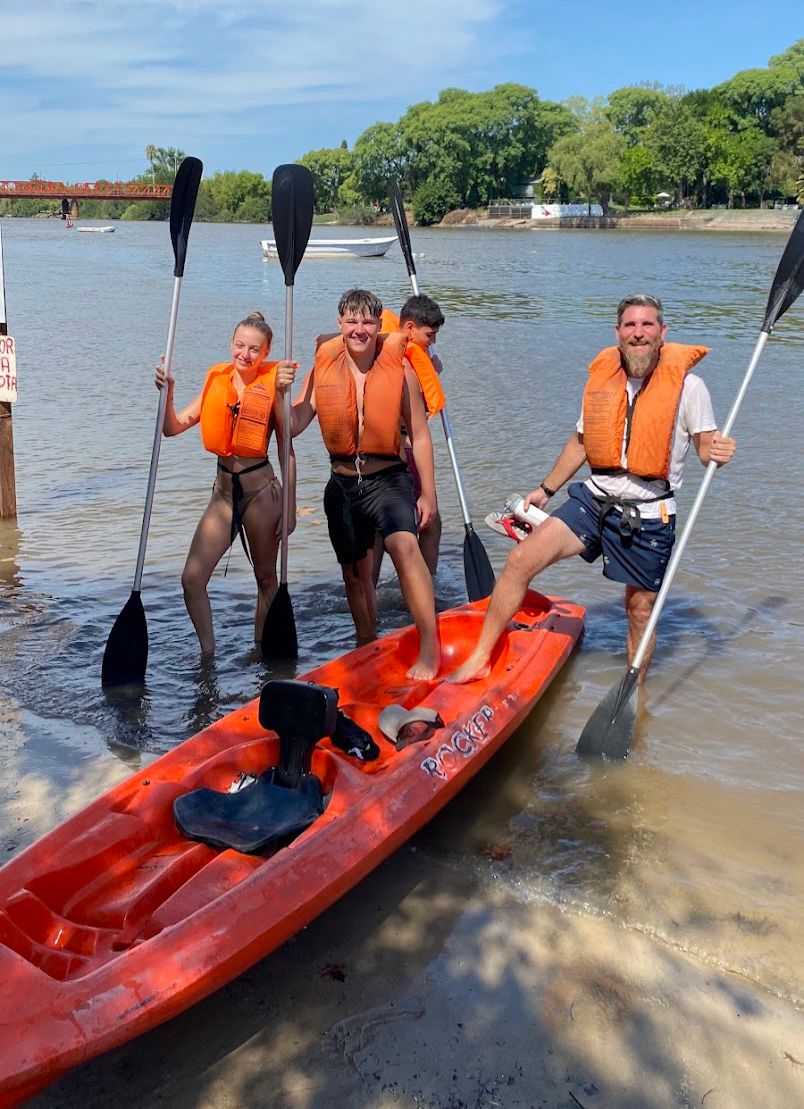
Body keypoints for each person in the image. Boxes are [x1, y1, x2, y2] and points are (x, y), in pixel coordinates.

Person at [449, 293, 737, 684]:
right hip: (593, 500)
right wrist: (546, 490)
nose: (638, 333)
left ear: (662, 332)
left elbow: (705, 450)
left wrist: (719, 450)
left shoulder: (690, 387)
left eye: (647, 324)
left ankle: (633, 691)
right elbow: (581, 443)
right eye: (630, 325)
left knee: (639, 611)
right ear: (618, 332)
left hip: (648, 512)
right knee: (520, 561)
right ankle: (481, 657)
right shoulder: (604, 379)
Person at [287, 288, 440, 680]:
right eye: (352, 321)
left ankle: (430, 648)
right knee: (355, 578)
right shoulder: (323, 367)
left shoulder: (401, 370)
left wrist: (428, 495)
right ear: (340, 324)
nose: (360, 329)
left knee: (405, 549)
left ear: (378, 325)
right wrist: (277, 391)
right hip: (341, 485)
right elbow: (295, 423)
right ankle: (366, 644)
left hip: (388, 479)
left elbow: (420, 436)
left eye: (368, 322)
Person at [154, 311, 297, 656]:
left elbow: (286, 449)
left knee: (266, 579)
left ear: (266, 352)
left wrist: (290, 508)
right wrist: (168, 393)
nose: (245, 355)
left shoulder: (274, 386)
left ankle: (261, 651)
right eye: (240, 346)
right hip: (223, 494)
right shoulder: (216, 380)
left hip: (262, 493)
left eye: (254, 349)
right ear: (231, 344)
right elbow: (172, 428)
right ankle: (208, 654)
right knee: (192, 579)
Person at [372, 295, 446, 582]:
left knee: (383, 528)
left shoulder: (400, 353)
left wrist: (430, 369)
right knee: (430, 522)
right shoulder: (401, 361)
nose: (432, 341)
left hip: (390, 452)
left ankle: (376, 592)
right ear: (410, 328)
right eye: (429, 335)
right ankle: (427, 585)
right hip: (403, 451)